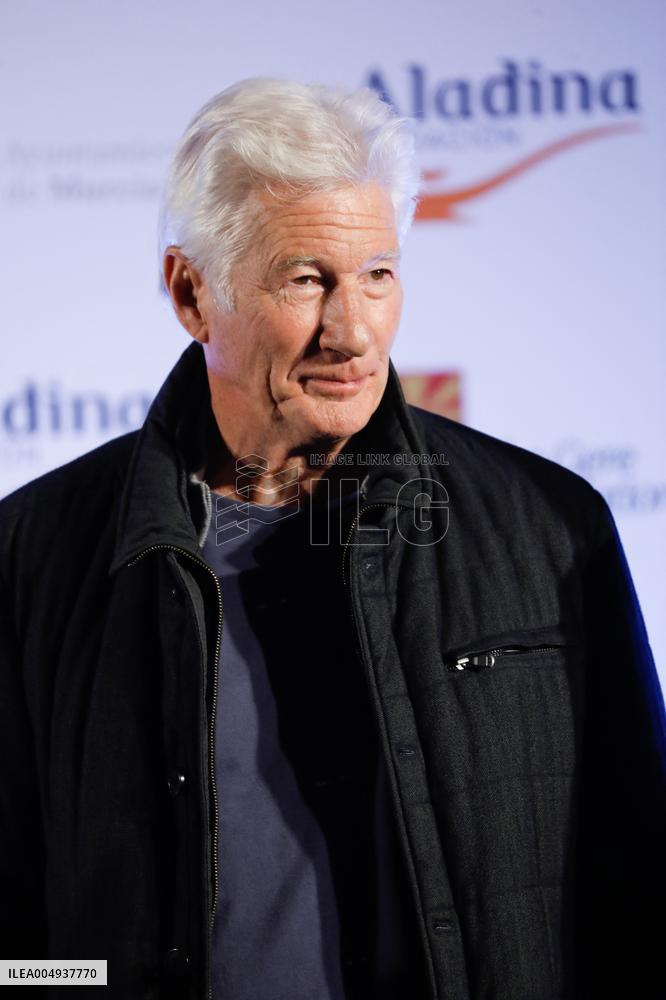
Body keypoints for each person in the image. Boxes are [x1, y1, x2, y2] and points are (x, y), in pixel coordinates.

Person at [0, 78, 664, 1000]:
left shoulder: (551, 526)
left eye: (378, 275)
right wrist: (83, 987)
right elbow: (15, 950)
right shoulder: (33, 555)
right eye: (306, 279)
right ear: (192, 293)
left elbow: (637, 892)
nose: (352, 333)